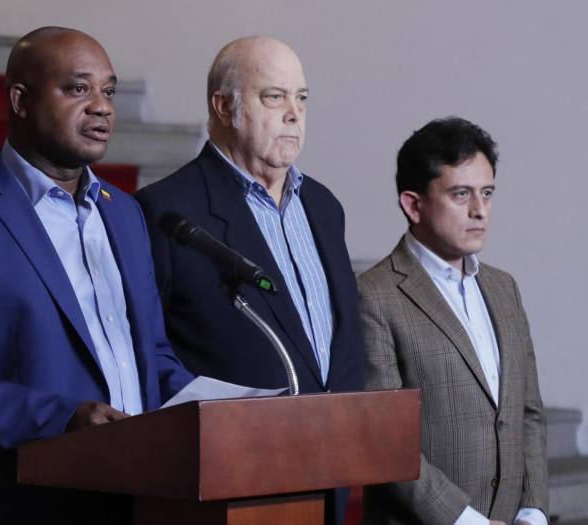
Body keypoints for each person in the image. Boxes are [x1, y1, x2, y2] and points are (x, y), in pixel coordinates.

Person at [0, 27, 196, 523]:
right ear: (21, 100)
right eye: (78, 89)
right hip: (25, 501)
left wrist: (218, 406)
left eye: (109, 91)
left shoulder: (125, 214)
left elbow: (150, 356)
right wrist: (62, 418)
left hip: (139, 494)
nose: (101, 106)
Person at [133, 36, 363, 524]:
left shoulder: (324, 207)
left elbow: (338, 341)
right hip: (232, 478)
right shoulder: (165, 211)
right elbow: (148, 355)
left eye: (301, 98)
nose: (294, 114)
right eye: (274, 97)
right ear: (224, 107)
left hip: (330, 468)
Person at [359, 117, 547, 525]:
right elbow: (387, 442)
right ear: (413, 204)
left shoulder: (503, 288)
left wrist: (532, 512)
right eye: (461, 194)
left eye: (487, 193)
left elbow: (527, 412)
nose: (480, 210)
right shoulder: (373, 296)